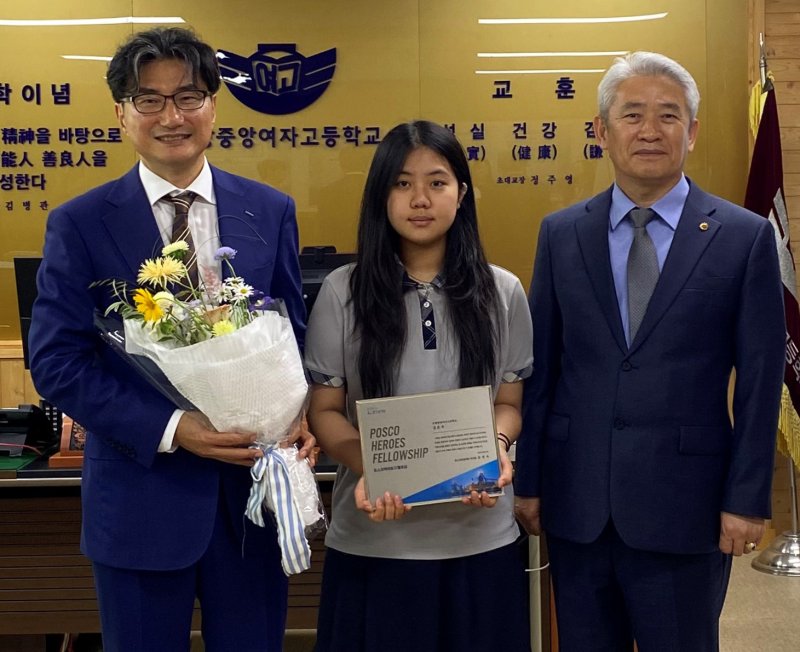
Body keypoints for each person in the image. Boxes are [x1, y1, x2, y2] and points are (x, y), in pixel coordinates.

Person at [28, 27, 312, 652]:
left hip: (252, 493)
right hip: (140, 500)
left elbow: (294, 332)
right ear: (121, 113)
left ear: (214, 105)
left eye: (188, 96)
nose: (171, 116)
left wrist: (303, 413)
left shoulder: (270, 210)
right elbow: (56, 361)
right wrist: (174, 428)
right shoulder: (78, 224)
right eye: (149, 99)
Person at [514, 51, 786, 651]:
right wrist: (528, 482)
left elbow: (763, 380)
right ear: (601, 131)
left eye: (669, 116)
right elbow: (543, 369)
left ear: (691, 132)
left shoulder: (743, 237)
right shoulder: (562, 234)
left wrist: (747, 500)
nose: (650, 130)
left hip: (686, 506)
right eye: (631, 114)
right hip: (578, 502)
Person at [305, 120, 533, 652]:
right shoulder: (343, 291)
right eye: (402, 184)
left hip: (480, 536)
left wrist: (496, 449)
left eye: (438, 182)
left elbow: (508, 402)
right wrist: (375, 465)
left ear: (462, 194)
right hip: (376, 540)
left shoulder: (503, 291)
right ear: (381, 196)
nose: (420, 199)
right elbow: (326, 411)